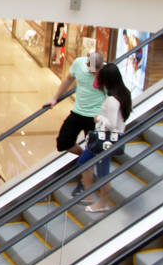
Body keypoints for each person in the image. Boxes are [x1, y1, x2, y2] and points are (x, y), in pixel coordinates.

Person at [44, 50, 106, 197]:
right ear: (87, 64)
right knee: (63, 143)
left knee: (94, 150)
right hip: (78, 113)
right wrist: (55, 98)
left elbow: (114, 94)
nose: (94, 74)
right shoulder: (78, 63)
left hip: (96, 117)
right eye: (92, 71)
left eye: (97, 71)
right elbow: (68, 79)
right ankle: (85, 157)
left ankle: (87, 185)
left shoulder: (107, 73)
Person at [78, 63, 133, 214]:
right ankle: (90, 195)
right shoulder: (124, 94)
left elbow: (111, 124)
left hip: (105, 140)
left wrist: (98, 118)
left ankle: (102, 203)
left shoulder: (112, 100)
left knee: (103, 172)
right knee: (83, 161)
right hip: (106, 138)